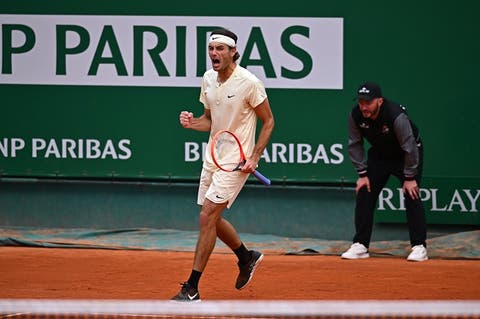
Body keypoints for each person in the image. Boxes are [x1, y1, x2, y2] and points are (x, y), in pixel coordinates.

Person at [172, 28, 275, 301]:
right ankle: (246, 257)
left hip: (236, 162)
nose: (214, 54)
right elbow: (210, 121)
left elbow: (269, 121)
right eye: (211, 49)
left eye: (220, 49)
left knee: (206, 216)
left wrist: (254, 157)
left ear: (232, 52)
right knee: (212, 219)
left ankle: (192, 288)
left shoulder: (249, 82)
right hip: (213, 157)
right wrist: (191, 122)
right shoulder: (208, 79)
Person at [341, 81, 428, 262]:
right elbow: (354, 144)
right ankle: (361, 245)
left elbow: (410, 147)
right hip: (380, 155)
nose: (363, 106)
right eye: (361, 102)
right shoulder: (356, 114)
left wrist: (410, 176)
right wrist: (362, 174)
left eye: (368, 102)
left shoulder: (396, 115)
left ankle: (419, 247)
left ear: (379, 101)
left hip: (406, 155)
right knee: (365, 190)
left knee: (411, 193)